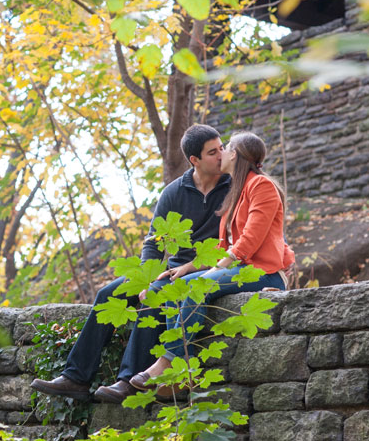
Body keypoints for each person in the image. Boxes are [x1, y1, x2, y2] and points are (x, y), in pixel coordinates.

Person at [30, 125, 231, 404]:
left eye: (222, 148)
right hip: (167, 270)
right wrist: (147, 276)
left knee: (155, 296)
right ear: (194, 160)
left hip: (203, 270)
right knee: (107, 294)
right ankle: (75, 377)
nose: (222, 155)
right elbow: (153, 242)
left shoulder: (233, 187)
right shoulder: (174, 192)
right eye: (213, 152)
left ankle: (128, 381)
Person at [129, 131, 294, 399]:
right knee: (180, 285)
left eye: (226, 148)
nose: (222, 153)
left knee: (196, 287)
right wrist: (188, 268)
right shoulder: (236, 193)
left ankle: (170, 361)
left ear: (237, 156)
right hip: (240, 270)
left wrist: (213, 271)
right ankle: (185, 374)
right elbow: (221, 246)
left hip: (263, 274)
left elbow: (249, 241)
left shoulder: (261, 186)